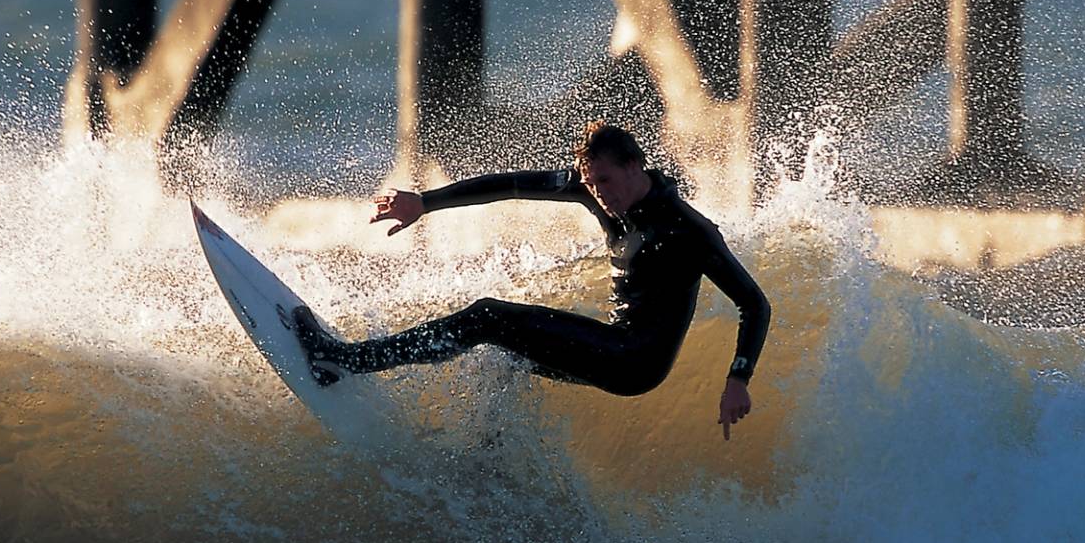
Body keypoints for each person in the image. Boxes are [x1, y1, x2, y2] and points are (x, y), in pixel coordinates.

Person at [292, 122, 771, 439]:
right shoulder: (597, 191)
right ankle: (490, 459)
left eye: (606, 181)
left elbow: (754, 303)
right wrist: (426, 202)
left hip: (635, 362)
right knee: (503, 353)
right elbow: (511, 185)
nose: (599, 194)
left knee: (488, 317)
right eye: (592, 183)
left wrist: (738, 379)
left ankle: (346, 360)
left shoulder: (686, 229)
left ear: (634, 166)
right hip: (612, 341)